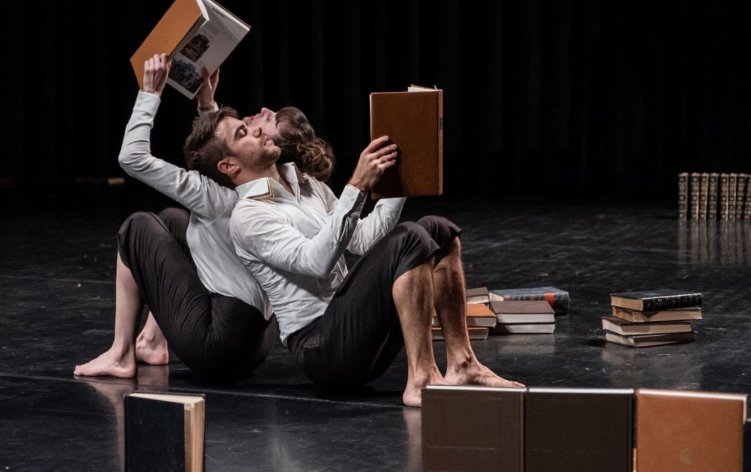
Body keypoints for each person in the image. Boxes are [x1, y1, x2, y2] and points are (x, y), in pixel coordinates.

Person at [182, 86, 525, 407]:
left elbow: (362, 239)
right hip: (322, 348)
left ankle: (462, 363)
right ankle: (421, 378)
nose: (257, 129)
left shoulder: (306, 184)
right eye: (243, 133)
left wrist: (399, 171)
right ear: (229, 166)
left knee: (437, 229)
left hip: (354, 328)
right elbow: (315, 261)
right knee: (410, 237)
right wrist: (358, 185)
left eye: (248, 125)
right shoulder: (248, 216)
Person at [73, 54, 332, 382]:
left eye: (256, 127)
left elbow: (133, 157)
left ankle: (121, 353)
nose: (256, 123)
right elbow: (224, 156)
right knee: (173, 220)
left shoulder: (218, 197)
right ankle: (151, 341)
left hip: (219, 345)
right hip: (256, 342)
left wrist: (150, 93)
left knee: (137, 228)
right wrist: (207, 105)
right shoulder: (273, 182)